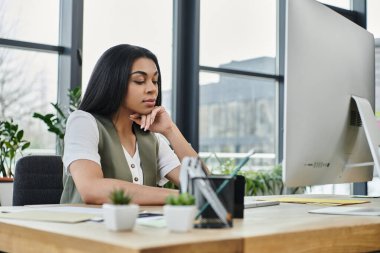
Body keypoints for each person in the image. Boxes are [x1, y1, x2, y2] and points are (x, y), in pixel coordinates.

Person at [60, 44, 202, 205]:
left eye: (155, 81)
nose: (152, 89)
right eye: (139, 81)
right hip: (84, 228)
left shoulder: (150, 139)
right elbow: (92, 189)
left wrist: (170, 130)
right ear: (113, 82)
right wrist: (181, 196)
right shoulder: (84, 122)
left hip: (137, 229)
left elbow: (207, 187)